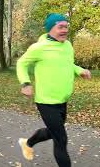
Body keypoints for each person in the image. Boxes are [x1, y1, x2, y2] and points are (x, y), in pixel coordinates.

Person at [16, 13, 91, 167]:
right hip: (46, 101)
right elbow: (22, 63)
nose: (64, 30)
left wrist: (79, 70)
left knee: (52, 132)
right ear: (51, 28)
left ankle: (28, 143)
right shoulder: (39, 48)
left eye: (66, 27)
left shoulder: (67, 46)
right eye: (60, 27)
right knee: (61, 139)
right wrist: (25, 83)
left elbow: (68, 64)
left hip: (62, 100)